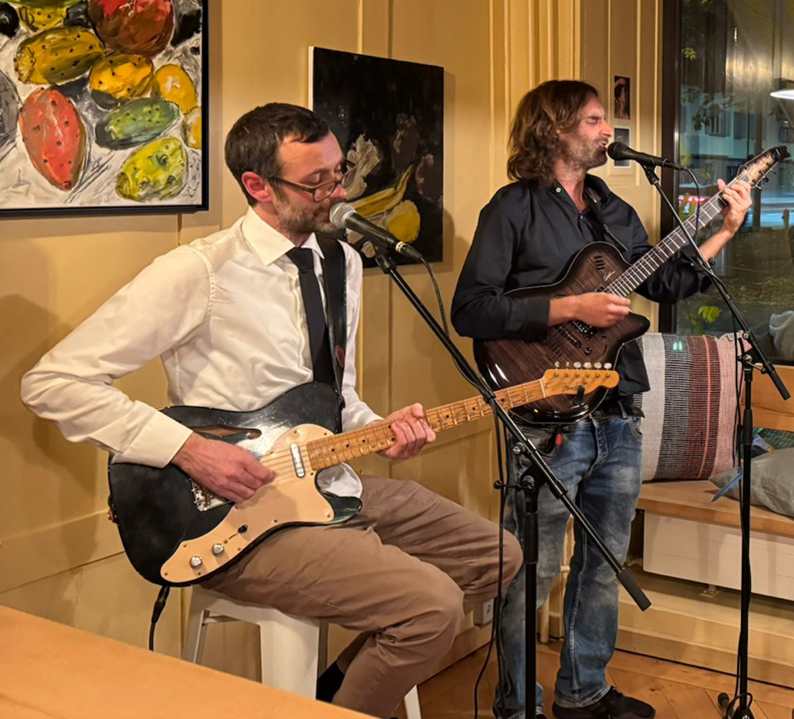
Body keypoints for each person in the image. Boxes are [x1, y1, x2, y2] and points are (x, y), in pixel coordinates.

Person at [21, 102, 522, 719]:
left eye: (339, 173)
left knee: (498, 556)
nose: (339, 193)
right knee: (432, 606)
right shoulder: (198, 272)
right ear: (258, 186)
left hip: (331, 485)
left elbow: (337, 397)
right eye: (316, 183)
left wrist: (381, 431)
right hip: (234, 518)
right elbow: (54, 382)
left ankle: (334, 696)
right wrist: (189, 450)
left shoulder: (342, 262)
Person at [451, 80, 751, 719]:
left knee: (604, 561)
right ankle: (517, 706)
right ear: (553, 129)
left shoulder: (615, 209)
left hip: (618, 408)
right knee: (530, 568)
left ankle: (583, 693)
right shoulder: (513, 208)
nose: (608, 130)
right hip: (543, 411)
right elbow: (471, 309)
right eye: (592, 119)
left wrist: (724, 228)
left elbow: (665, 282)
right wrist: (570, 308)